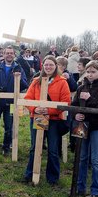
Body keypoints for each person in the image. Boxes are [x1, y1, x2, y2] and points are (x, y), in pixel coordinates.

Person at [22, 55, 71, 185]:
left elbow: (65, 102)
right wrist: (35, 109)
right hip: (38, 117)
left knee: (53, 149)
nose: (48, 67)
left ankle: (53, 178)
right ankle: (30, 173)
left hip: (54, 120)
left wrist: (49, 111)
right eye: (46, 65)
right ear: (42, 66)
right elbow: (28, 98)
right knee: (34, 147)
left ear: (56, 66)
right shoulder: (36, 81)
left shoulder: (61, 82)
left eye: (51, 65)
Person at [71, 60, 98, 197]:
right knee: (81, 158)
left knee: (96, 160)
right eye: (88, 72)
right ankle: (80, 187)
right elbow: (74, 105)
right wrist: (75, 114)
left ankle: (96, 191)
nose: (90, 74)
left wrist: (90, 98)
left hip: (97, 126)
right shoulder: (81, 87)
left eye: (93, 72)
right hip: (82, 125)